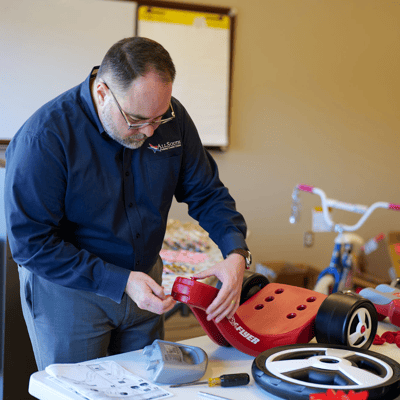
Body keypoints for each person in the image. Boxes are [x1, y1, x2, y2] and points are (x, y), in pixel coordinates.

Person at [5, 37, 251, 370]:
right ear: (103, 92)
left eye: (158, 118)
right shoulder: (45, 138)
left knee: (147, 387)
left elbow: (206, 192)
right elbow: (31, 245)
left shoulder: (172, 119)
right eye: (136, 120)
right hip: (71, 290)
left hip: (146, 282)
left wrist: (236, 252)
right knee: (82, 392)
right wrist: (120, 281)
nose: (150, 132)